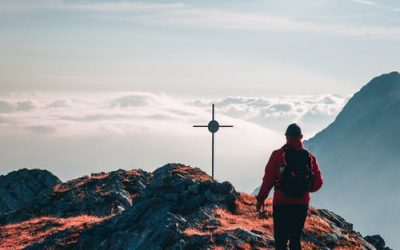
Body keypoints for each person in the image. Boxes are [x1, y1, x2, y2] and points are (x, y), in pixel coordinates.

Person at [256, 123, 323, 250]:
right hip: (301, 204)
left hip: (281, 202)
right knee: (295, 240)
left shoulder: (277, 155)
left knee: (280, 241)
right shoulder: (310, 158)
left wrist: (261, 199)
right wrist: (305, 187)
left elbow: (268, 179)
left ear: (286, 136)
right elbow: (318, 182)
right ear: (301, 136)